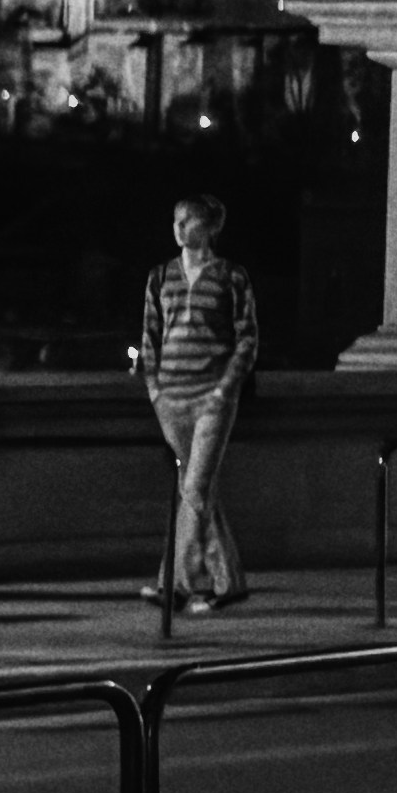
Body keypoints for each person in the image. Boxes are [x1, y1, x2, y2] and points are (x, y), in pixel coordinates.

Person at [130, 193, 261, 612]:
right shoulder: (160, 277)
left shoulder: (231, 277)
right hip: (171, 397)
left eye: (188, 221)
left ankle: (176, 584)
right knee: (198, 489)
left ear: (210, 228)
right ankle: (229, 582)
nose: (179, 228)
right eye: (176, 220)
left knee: (196, 486)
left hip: (211, 396)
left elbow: (247, 337)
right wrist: (154, 388)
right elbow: (149, 335)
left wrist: (226, 388)